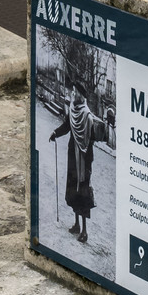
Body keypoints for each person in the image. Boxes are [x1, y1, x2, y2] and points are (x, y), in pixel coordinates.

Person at [50, 84, 108, 245]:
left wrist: (88, 165)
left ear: (81, 97)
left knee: (83, 193)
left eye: (74, 92)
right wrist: (55, 133)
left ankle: (84, 230)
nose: (72, 93)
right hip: (72, 157)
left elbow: (90, 141)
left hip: (83, 160)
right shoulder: (73, 111)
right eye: (72, 91)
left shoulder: (87, 116)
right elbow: (67, 126)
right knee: (72, 190)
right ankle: (76, 224)